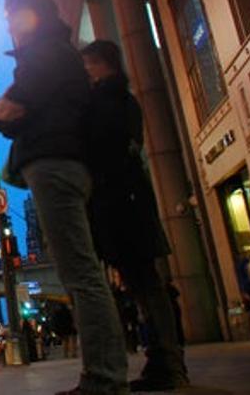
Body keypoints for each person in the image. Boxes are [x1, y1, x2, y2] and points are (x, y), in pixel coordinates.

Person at [0, 0, 128, 395]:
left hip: (54, 166)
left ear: (31, 16)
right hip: (66, 165)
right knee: (82, 273)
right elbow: (19, 115)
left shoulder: (44, 54)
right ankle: (106, 373)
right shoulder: (59, 56)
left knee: (80, 275)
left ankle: (104, 378)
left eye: (12, 15)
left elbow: (9, 111)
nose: (9, 23)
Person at [81, 40, 189, 391]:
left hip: (120, 203)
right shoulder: (123, 100)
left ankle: (167, 364)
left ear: (102, 65)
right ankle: (167, 362)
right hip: (129, 200)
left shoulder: (105, 101)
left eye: (89, 65)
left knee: (145, 284)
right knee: (146, 284)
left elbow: (103, 148)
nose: (86, 72)